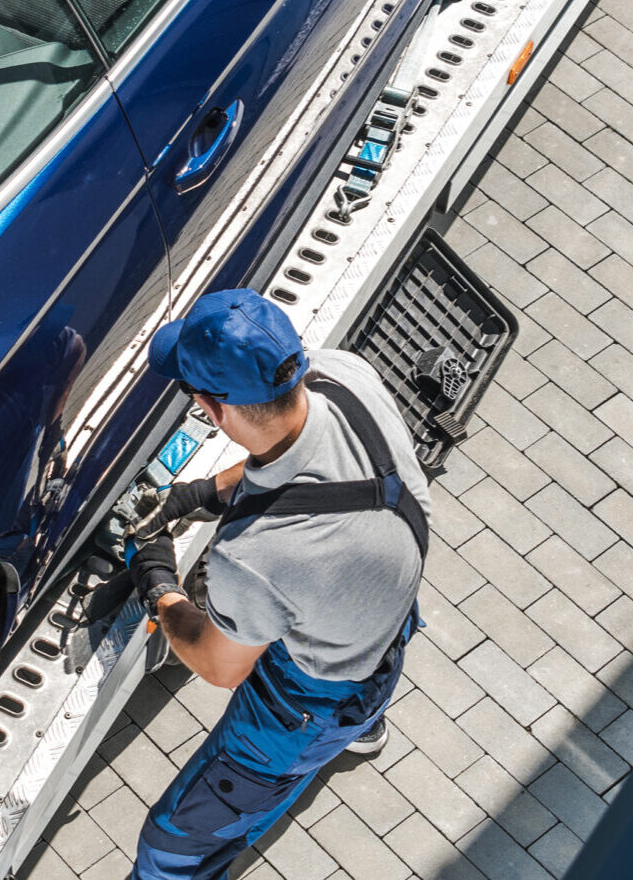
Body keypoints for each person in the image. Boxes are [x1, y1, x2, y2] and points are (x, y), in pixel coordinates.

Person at [123, 289, 428, 880]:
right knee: (349, 685)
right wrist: (204, 494)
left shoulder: (257, 557)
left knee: (171, 843)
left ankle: (319, 747)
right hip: (383, 617)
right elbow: (288, 454)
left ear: (215, 411)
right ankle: (357, 731)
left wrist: (159, 584)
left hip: (309, 704)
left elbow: (219, 666)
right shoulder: (346, 377)